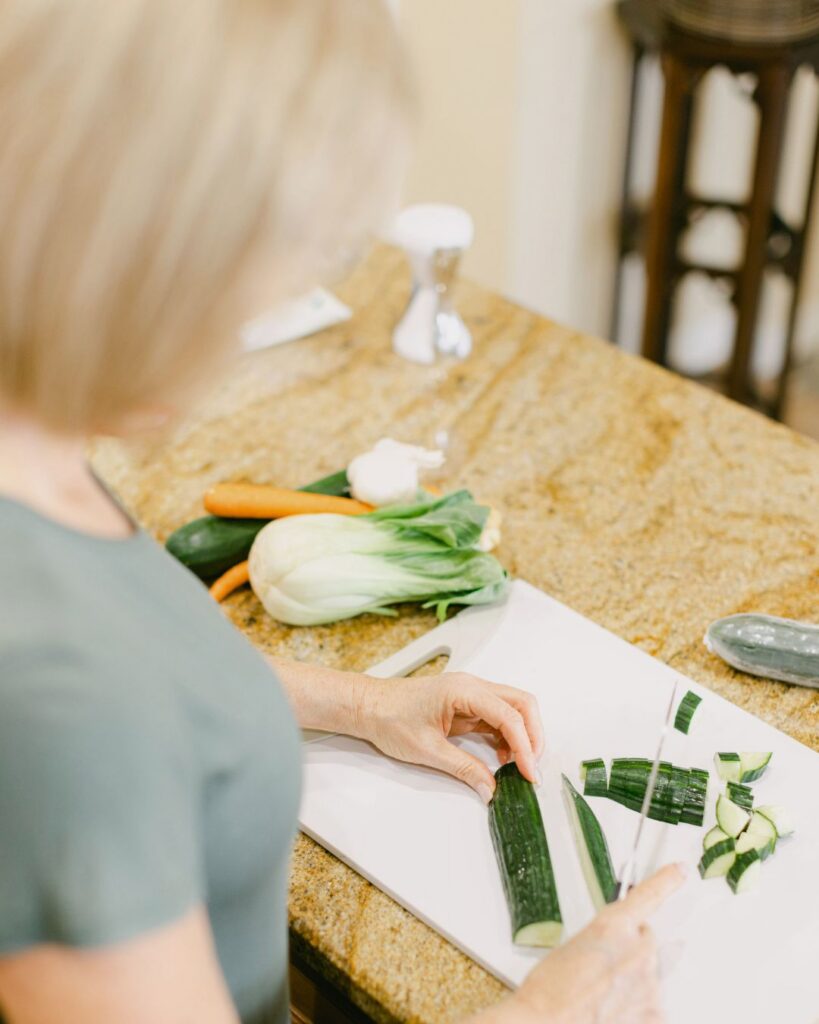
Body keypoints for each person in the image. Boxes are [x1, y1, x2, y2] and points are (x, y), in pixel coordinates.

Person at [0, 2, 684, 1022]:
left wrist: (364, 705)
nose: (231, 347)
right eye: (250, 298)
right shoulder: (57, 702)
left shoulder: (37, 438)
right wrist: (547, 1013)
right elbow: (93, 712)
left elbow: (150, 664)